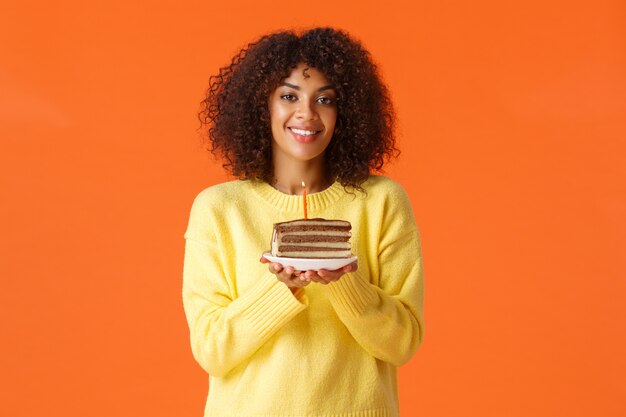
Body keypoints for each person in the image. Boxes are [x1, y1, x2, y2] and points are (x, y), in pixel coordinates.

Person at [183, 27, 424, 417]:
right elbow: (212, 351)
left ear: (345, 111)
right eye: (289, 95)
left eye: (324, 99)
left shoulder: (382, 202)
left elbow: (403, 343)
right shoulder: (219, 209)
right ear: (263, 105)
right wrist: (279, 289)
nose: (306, 114)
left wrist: (346, 282)